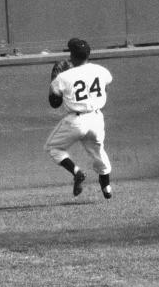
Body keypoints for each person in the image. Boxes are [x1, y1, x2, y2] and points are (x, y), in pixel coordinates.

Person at [45, 38, 114, 200]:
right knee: (99, 154)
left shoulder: (64, 77)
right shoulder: (101, 70)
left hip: (76, 120)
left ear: (72, 56)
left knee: (53, 148)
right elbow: (106, 86)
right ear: (88, 55)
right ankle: (107, 187)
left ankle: (76, 172)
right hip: (96, 119)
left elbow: (54, 103)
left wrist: (54, 82)